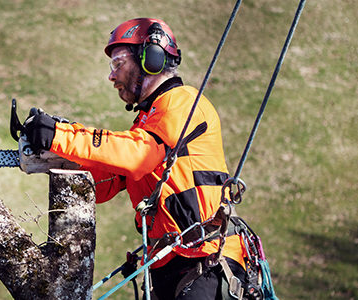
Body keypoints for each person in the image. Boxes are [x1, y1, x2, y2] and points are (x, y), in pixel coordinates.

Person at [23, 18, 248, 299]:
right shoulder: (146, 123)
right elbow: (104, 184)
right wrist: (57, 157)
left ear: (150, 59)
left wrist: (61, 135)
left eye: (118, 63)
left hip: (207, 260)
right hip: (169, 264)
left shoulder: (183, 103)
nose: (112, 76)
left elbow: (137, 156)